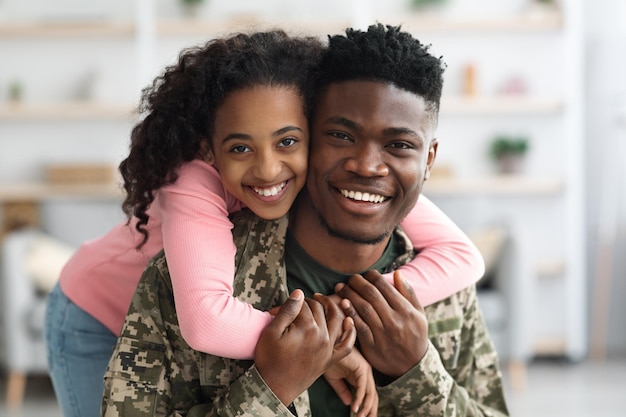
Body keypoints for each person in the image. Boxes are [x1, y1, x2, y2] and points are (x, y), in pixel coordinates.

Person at [45, 28, 485, 417]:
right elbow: (207, 322)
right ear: (211, 148)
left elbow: (463, 257)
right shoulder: (194, 181)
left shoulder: (359, 177)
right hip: (96, 311)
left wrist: (355, 310)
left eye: (288, 140)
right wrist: (327, 346)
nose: (269, 169)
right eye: (240, 148)